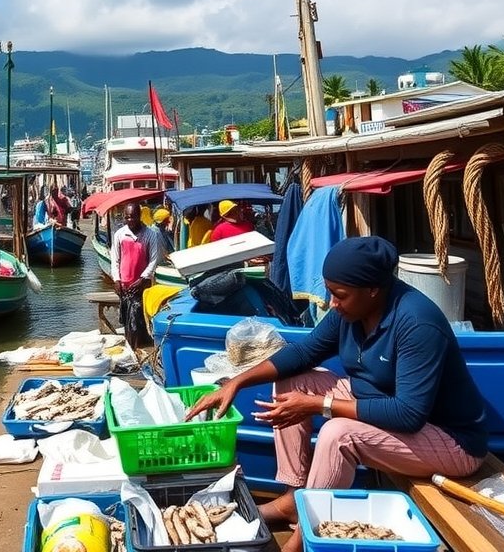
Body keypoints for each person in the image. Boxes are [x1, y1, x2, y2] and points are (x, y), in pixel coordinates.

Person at [185, 236, 488, 552]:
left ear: (372, 289)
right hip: (380, 403)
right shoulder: (352, 311)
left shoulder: (417, 323)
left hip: (450, 441)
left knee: (338, 433)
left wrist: (321, 405)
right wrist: (237, 382)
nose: (331, 303)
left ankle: (304, 537)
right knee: (293, 382)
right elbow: (304, 352)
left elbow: (409, 415)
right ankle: (293, 495)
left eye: (340, 295)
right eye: (330, 292)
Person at [109, 203, 163, 350]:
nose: (130, 220)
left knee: (139, 319)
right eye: (127, 217)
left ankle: (140, 347)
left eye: (133, 216)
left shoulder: (150, 235)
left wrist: (143, 279)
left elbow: (154, 260)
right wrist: (116, 280)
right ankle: (131, 347)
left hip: (142, 285)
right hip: (124, 285)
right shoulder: (120, 234)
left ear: (139, 216)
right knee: (127, 319)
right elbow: (115, 259)